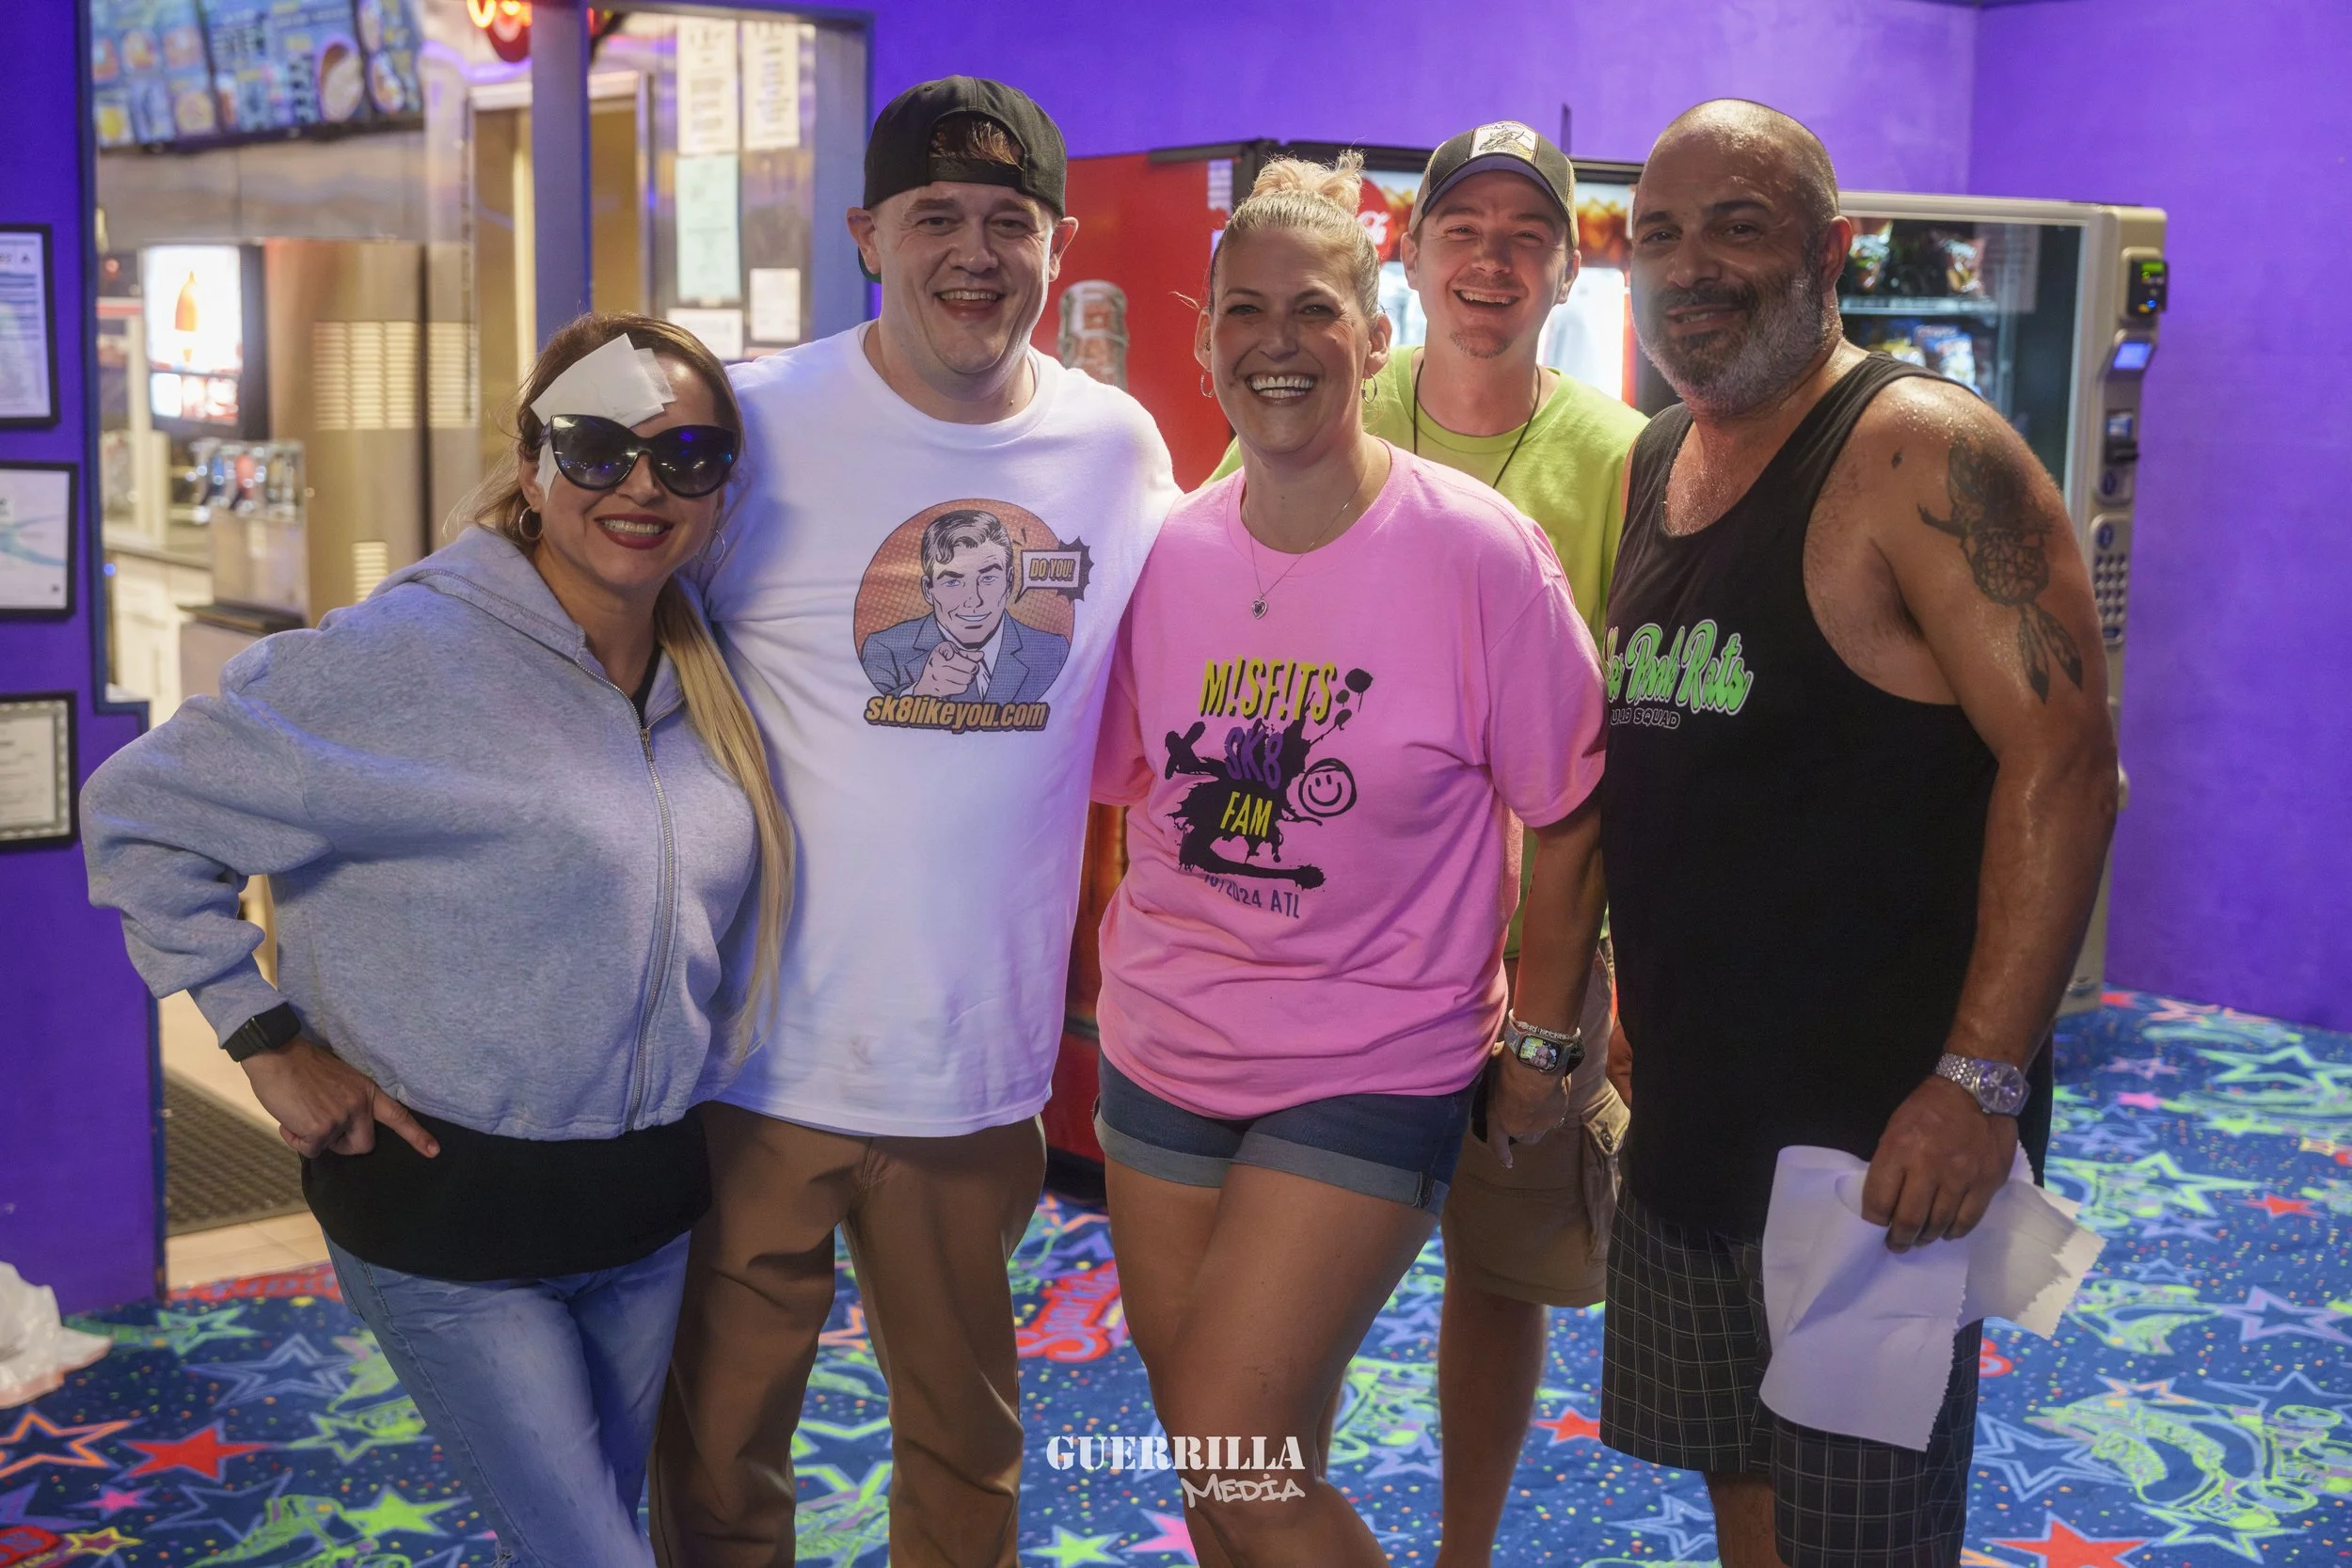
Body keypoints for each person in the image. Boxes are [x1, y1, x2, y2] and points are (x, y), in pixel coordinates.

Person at [82, 313, 791, 1568]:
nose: (642, 485)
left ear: (721, 487)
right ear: (532, 464)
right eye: (598, 447)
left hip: (645, 1210)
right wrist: (263, 1039)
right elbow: (138, 814)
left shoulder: (710, 677)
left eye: (686, 456)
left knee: (584, 1531)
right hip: (448, 1217)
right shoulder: (399, 658)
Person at [648, 78, 1176, 1568]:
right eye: (935, 216)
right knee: (719, 1457)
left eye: (1010, 220)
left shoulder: (1117, 448)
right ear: (866, 234)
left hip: (975, 1064)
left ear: (1059, 247)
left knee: (964, 1451)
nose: (974, 251)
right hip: (758, 1056)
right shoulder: (755, 423)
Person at [1597, 100, 2116, 1568]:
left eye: (1738, 226)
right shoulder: (1657, 459)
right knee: (1742, 1492)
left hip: (1880, 1147)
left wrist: (1980, 1077)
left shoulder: (1920, 454)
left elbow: (2072, 761)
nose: (1691, 265)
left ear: (1833, 251)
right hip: (1695, 1117)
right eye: (1659, 233)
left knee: (1861, 1533)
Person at [1091, 152, 1610, 1568]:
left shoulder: (1482, 556)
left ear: (1376, 339)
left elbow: (1571, 811)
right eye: (1245, 311)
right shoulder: (1164, 555)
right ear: (1204, 343)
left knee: (1232, 1445)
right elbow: (1125, 783)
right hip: (1163, 1043)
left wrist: (1547, 1040)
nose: (1279, 341)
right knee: (1228, 1469)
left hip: (1372, 1055)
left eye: (1315, 309)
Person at [858, 505, 1072, 702]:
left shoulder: (1052, 652)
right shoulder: (885, 650)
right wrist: (919, 692)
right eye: (953, 582)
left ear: (1009, 582)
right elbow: (868, 713)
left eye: (988, 578)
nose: (973, 600)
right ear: (928, 589)